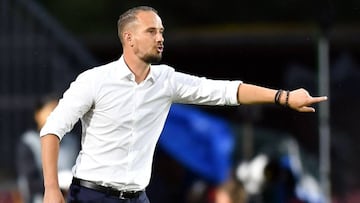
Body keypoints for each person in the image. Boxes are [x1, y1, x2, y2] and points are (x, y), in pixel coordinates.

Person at [39, 6, 327, 203]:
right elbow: (52, 129)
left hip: (138, 197)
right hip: (91, 196)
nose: (160, 38)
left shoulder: (167, 81)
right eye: (151, 31)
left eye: (162, 31)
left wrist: (284, 97)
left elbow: (225, 90)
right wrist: (51, 189)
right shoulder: (94, 80)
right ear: (128, 38)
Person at [16, 94, 79, 203]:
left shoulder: (72, 141)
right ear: (37, 114)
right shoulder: (29, 141)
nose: (55, 116)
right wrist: (56, 185)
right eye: (50, 110)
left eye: (58, 112)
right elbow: (29, 179)